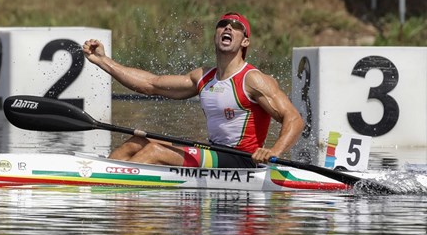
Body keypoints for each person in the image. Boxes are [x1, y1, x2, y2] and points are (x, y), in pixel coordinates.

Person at [83, 12, 304, 168]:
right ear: (215, 35)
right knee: (136, 143)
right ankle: (103, 179)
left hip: (242, 159)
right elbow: (151, 84)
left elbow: (294, 119)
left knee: (155, 151)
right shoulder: (204, 77)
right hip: (215, 151)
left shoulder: (253, 80)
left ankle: (115, 184)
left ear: (245, 42)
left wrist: (273, 152)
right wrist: (103, 61)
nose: (228, 27)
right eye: (223, 24)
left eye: (236, 26)